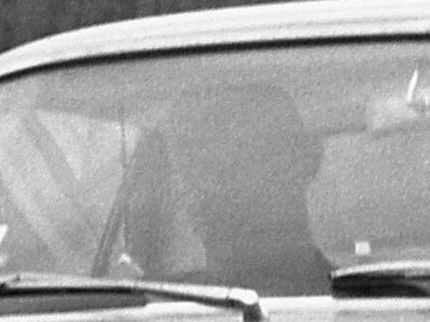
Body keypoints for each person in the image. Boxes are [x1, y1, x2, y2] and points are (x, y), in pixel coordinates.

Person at [141, 84, 336, 297]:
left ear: (305, 162)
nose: (215, 187)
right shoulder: (142, 310)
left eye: (247, 156)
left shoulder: (152, 312)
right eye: (195, 164)